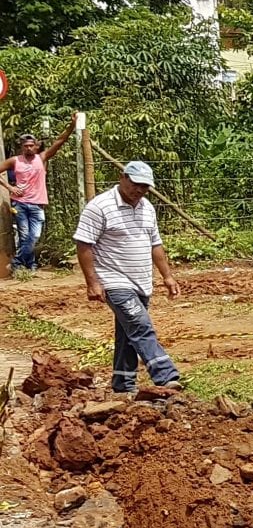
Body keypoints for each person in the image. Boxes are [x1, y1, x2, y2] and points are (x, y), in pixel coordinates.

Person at [74, 160, 181, 395]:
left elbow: (155, 244)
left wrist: (167, 276)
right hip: (114, 280)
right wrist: (92, 282)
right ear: (123, 177)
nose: (140, 191)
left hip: (141, 281)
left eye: (145, 187)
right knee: (140, 326)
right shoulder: (100, 207)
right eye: (136, 184)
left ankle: (123, 384)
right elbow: (83, 245)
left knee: (128, 332)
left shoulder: (147, 208)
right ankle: (165, 375)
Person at [4, 118, 76, 276]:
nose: (29, 148)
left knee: (34, 236)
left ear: (35, 146)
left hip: (37, 204)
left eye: (31, 145)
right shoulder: (15, 161)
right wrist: (10, 187)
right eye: (26, 146)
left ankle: (17, 262)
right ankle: (30, 266)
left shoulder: (41, 158)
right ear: (21, 147)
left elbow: (60, 141)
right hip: (20, 204)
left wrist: (71, 126)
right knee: (24, 236)